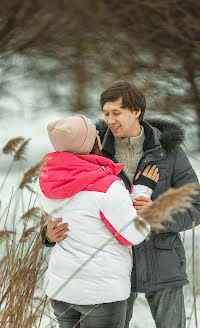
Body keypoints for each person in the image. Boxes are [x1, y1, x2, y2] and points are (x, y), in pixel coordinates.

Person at [43, 81, 200, 328]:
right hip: (115, 271)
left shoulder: (169, 152)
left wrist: (158, 214)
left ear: (136, 111)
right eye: (106, 113)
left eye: (116, 113)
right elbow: (63, 202)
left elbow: (197, 208)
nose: (109, 120)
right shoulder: (93, 151)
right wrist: (47, 234)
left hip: (163, 262)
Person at [38, 115, 159, 328]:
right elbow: (132, 234)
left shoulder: (46, 181)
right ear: (89, 142)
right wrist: (143, 193)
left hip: (62, 288)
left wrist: (47, 236)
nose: (99, 134)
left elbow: (69, 219)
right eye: (95, 133)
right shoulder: (107, 186)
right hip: (101, 294)